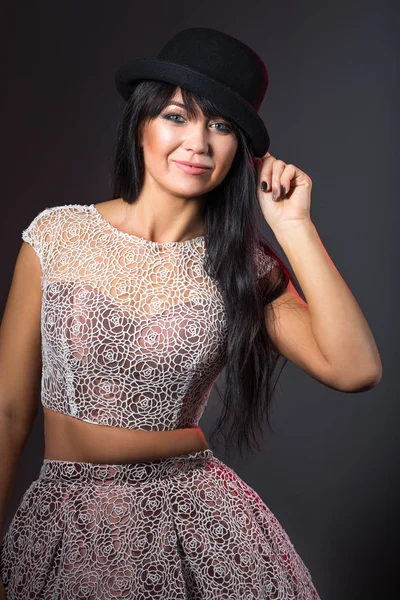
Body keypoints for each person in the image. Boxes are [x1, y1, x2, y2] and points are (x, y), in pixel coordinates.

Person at [0, 27, 381, 599]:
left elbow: (355, 369)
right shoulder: (57, 235)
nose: (198, 142)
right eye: (178, 116)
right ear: (142, 122)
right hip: (61, 524)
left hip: (192, 523)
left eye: (221, 125)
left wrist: (295, 228)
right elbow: (8, 412)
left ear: (242, 152)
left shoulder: (243, 270)